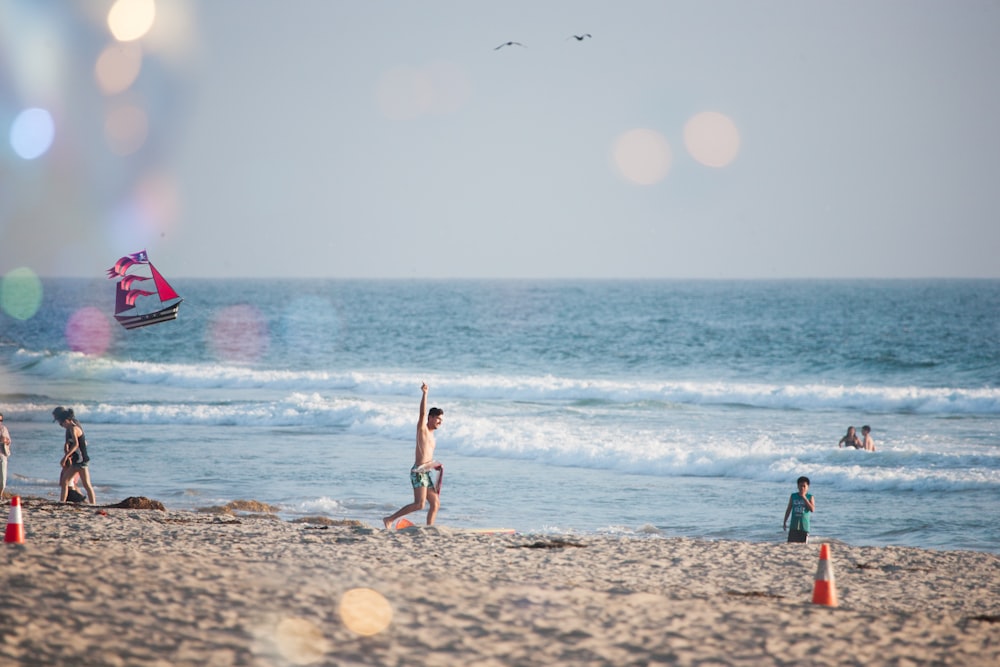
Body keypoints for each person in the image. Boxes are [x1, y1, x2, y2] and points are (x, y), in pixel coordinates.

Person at [383, 383, 444, 529]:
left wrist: (435, 466)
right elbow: (422, 414)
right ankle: (389, 519)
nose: (440, 422)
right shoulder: (422, 430)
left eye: (441, 420)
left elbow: (427, 458)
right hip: (418, 472)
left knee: (435, 503)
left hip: (426, 472)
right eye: (438, 419)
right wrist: (425, 393)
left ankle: (429, 528)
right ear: (430, 418)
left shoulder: (433, 438)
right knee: (419, 504)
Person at [53, 406, 97, 504]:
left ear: (66, 421)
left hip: (81, 461)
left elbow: (77, 444)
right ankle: (62, 503)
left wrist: (65, 457)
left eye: (61, 423)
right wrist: (67, 445)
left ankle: (93, 504)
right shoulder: (69, 428)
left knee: (87, 485)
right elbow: (71, 442)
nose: (61, 425)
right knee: (65, 481)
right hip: (76, 461)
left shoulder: (73, 428)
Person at [783, 476, 815, 543]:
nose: (802, 488)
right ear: (797, 486)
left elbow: (812, 509)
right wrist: (785, 521)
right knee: (791, 544)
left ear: (807, 487)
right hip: (793, 526)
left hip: (804, 527)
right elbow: (789, 509)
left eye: (804, 486)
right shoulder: (793, 496)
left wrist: (804, 497)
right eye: (800, 486)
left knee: (803, 545)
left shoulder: (810, 497)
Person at [0, 413, 10, 499]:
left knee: (3, 480)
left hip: (2, 456)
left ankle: (0, 494)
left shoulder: (4, 429)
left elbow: (9, 441)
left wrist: (5, 441)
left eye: (1, 420)